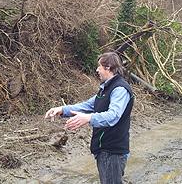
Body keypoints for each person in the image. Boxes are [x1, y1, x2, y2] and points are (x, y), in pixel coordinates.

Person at [45, 52, 134, 184]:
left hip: (113, 151)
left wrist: (88, 118)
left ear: (108, 67)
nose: (97, 70)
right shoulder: (105, 89)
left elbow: (113, 115)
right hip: (104, 150)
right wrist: (62, 110)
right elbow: (87, 105)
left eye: (99, 66)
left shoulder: (120, 89)